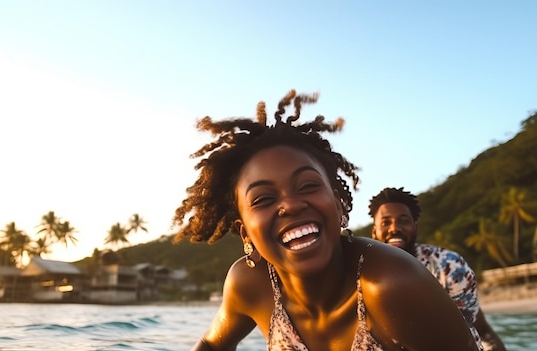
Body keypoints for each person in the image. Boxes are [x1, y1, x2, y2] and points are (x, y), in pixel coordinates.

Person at [172, 90, 480, 350]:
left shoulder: (390, 283)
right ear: (245, 233)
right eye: (264, 199)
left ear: (337, 201)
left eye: (307, 185)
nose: (291, 205)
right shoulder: (249, 284)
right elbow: (212, 345)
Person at [369, 187, 507, 351]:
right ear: (374, 231)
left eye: (403, 220)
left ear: (415, 226)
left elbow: (477, 330)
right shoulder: (360, 273)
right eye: (386, 222)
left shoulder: (449, 266)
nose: (394, 228)